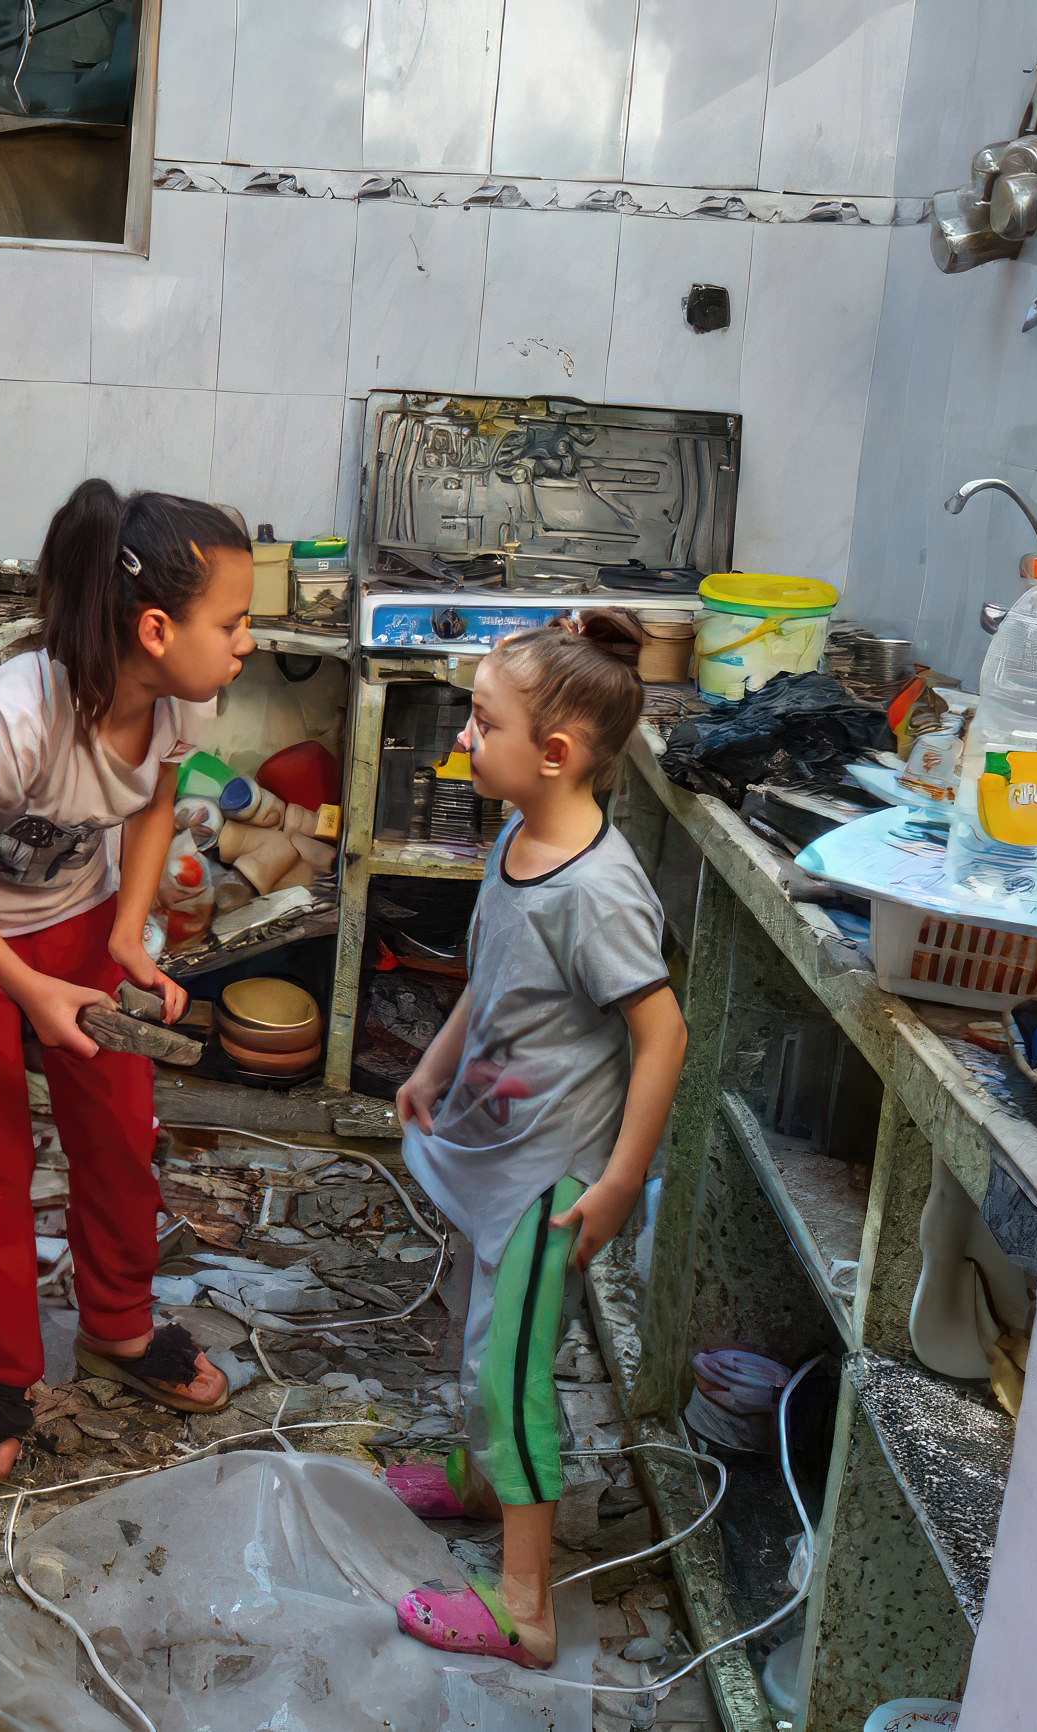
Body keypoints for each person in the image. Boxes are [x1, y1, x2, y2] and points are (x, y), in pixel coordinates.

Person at [0, 480, 257, 1486]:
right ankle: (4, 1372)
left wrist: (130, 933)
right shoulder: (12, 722)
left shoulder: (183, 697)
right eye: (232, 621)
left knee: (116, 1125)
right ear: (153, 626)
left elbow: (155, 797)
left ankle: (121, 1330)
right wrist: (27, 990)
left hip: (81, 920)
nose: (246, 642)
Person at [383, 612, 688, 1667]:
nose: (464, 739)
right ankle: (474, 1481)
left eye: (481, 719)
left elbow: (664, 1037)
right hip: (503, 1151)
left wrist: (617, 1183)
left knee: (512, 1376)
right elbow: (495, 971)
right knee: (478, 1333)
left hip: (552, 1183)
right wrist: (434, 1063)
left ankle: (524, 1606)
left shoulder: (599, 895)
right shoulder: (520, 837)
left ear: (554, 754)